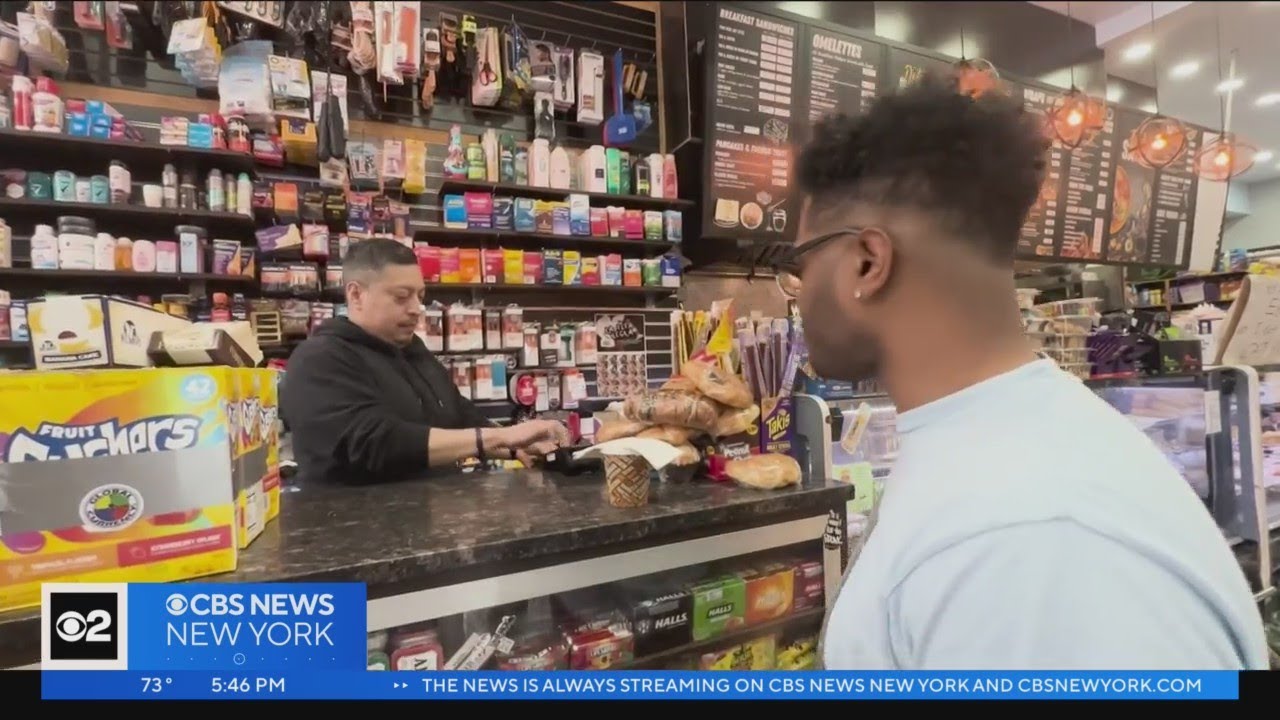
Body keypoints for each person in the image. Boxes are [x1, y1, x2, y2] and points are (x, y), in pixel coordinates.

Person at [782, 76, 1269, 670]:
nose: (797, 292)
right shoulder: (994, 459)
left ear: (867, 262)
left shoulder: (1028, 542)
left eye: (800, 264)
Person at [281, 239, 568, 485]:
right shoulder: (319, 359)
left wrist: (516, 444)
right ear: (356, 294)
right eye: (401, 297)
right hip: (357, 536)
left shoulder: (412, 350)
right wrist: (493, 439)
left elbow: (455, 412)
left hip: (425, 523)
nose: (416, 309)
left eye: (420, 296)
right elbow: (374, 443)